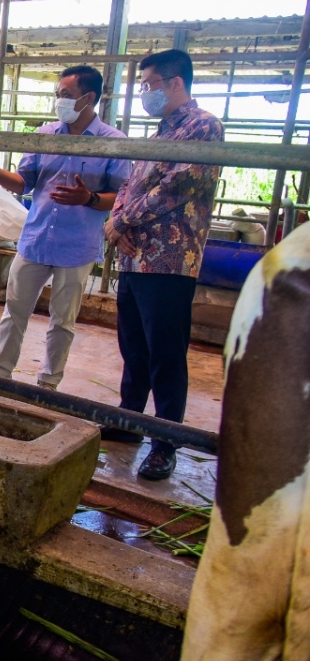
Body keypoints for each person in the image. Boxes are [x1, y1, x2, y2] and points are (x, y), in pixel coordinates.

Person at [0, 65, 130, 390]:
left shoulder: (113, 142)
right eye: (58, 95)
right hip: (37, 238)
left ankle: (48, 384)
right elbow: (24, 182)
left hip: (77, 245)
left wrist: (89, 197)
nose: (60, 101)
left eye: (66, 95)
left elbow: (120, 197)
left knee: (62, 321)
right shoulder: (46, 134)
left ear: (89, 97)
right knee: (15, 310)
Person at [103, 49, 223, 481]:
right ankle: (129, 420)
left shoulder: (204, 127)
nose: (144, 93)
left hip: (170, 261)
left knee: (165, 353)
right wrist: (117, 223)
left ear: (175, 83)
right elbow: (130, 187)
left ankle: (164, 441)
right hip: (136, 258)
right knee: (133, 347)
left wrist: (122, 220)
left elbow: (177, 188)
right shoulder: (159, 134)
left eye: (150, 84)